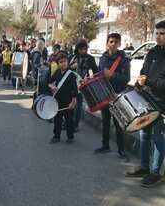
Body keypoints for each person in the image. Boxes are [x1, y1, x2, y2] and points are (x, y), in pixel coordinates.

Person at [124, 21, 165, 187]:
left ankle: (156, 173)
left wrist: (149, 81)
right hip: (146, 100)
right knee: (144, 135)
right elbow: (143, 71)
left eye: (162, 33)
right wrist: (139, 82)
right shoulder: (152, 52)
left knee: (158, 139)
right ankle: (144, 167)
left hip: (161, 104)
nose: (158, 37)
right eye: (156, 33)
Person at [94, 33, 131, 162]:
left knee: (118, 123)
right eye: (111, 41)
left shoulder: (124, 60)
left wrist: (114, 74)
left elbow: (127, 79)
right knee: (105, 120)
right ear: (107, 43)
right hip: (104, 94)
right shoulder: (103, 57)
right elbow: (98, 73)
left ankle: (121, 150)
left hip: (117, 95)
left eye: (116, 42)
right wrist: (100, 74)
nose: (113, 44)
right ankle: (105, 145)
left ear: (119, 44)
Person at [68, 39, 98, 132]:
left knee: (78, 105)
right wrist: (72, 66)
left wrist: (90, 80)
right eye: (81, 49)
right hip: (70, 84)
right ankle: (68, 123)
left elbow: (95, 71)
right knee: (69, 103)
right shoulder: (72, 57)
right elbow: (66, 69)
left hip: (82, 84)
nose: (82, 51)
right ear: (77, 49)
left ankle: (75, 124)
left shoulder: (90, 58)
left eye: (84, 49)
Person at [48, 52, 78, 144]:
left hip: (68, 101)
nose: (63, 63)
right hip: (57, 100)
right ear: (58, 64)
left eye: (65, 61)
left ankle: (70, 137)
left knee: (69, 120)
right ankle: (56, 136)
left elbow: (75, 91)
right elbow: (49, 82)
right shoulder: (57, 72)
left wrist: (72, 103)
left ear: (68, 62)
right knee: (57, 120)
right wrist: (52, 87)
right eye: (61, 62)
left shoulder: (72, 75)